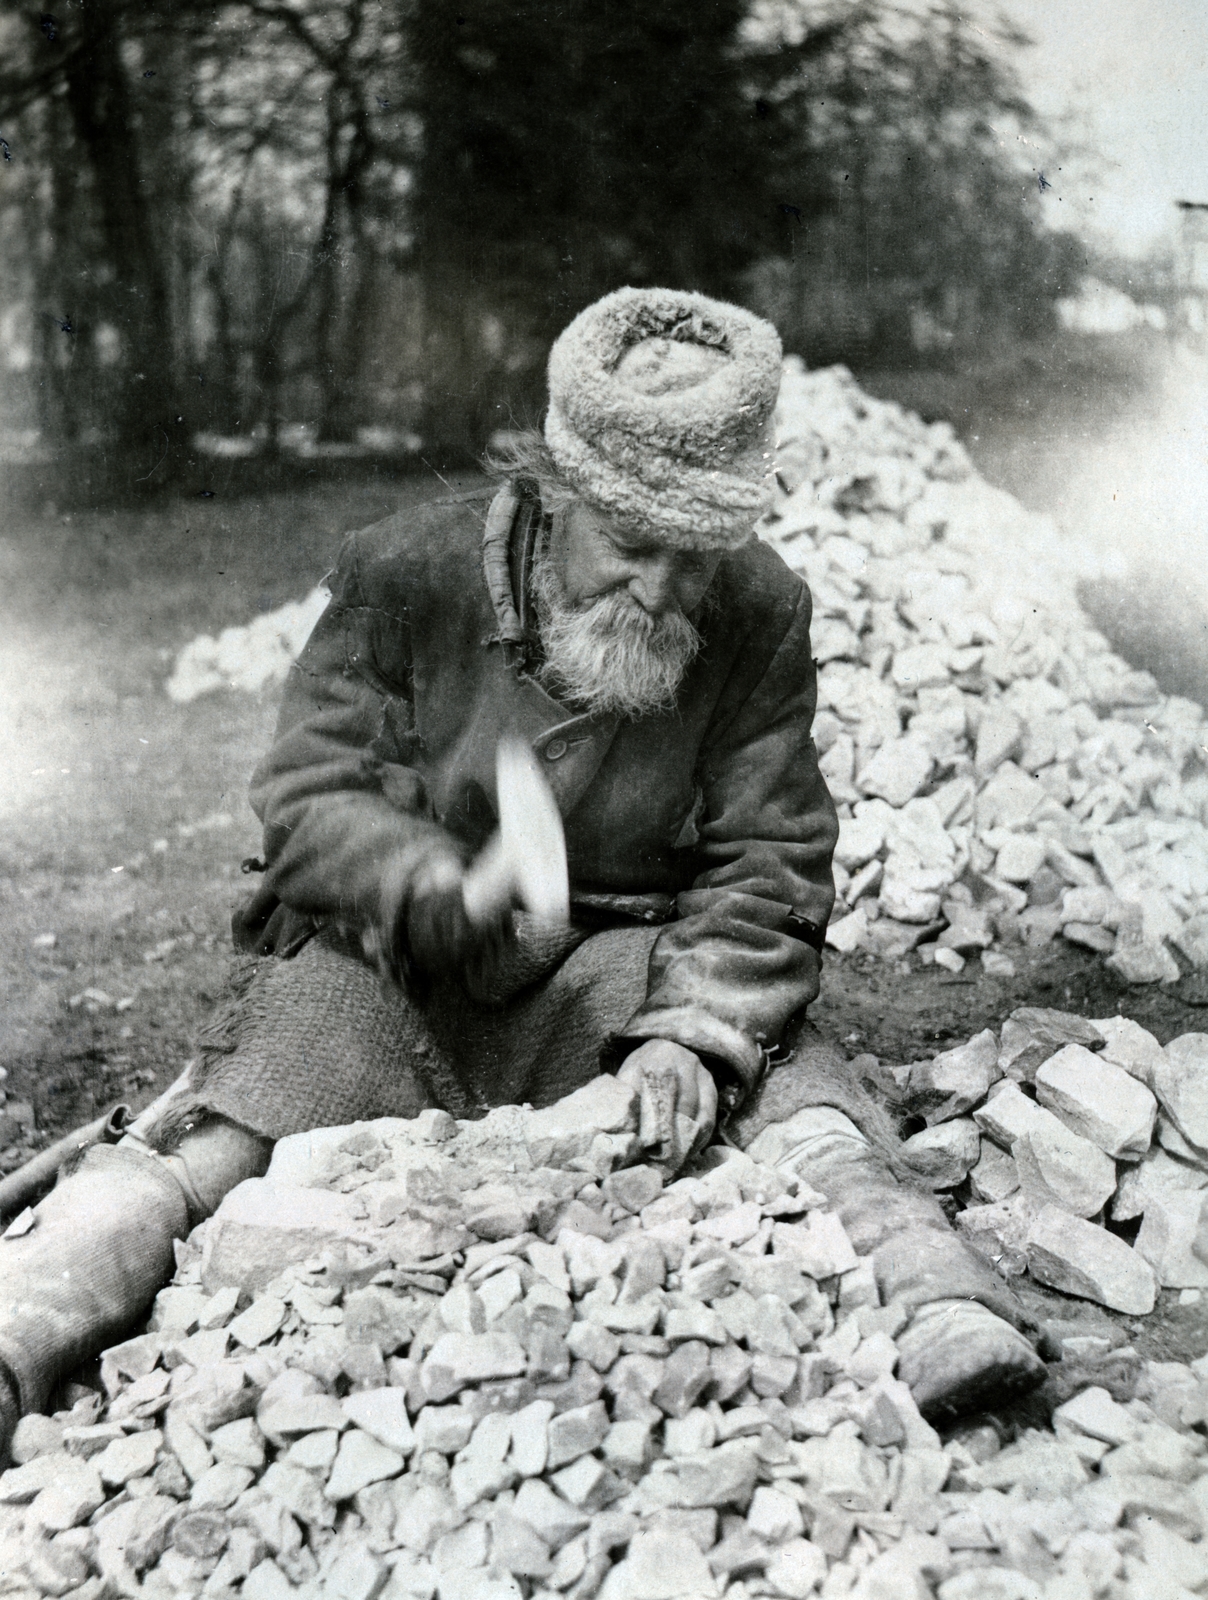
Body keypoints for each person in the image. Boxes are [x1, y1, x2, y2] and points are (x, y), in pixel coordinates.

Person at [0, 288, 1045, 1453]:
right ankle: (22, 1329)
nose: (660, 588)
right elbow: (309, 802)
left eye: (693, 555)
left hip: (609, 964)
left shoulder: (758, 609)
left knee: (788, 1090)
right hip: (388, 962)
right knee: (217, 1142)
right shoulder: (403, 575)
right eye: (632, 544)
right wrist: (440, 889)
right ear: (554, 493)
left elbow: (767, 849)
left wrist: (692, 1026)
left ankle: (936, 1297)